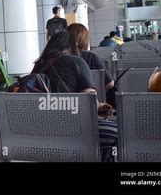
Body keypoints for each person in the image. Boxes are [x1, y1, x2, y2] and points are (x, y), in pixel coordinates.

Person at [33, 31, 117, 162]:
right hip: (71, 132)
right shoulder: (77, 61)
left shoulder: (38, 67)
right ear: (73, 46)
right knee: (117, 135)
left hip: (39, 135)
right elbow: (88, 103)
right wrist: (99, 105)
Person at [67, 23, 114, 90]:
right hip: (92, 98)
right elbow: (110, 83)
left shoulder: (60, 58)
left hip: (66, 99)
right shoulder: (91, 58)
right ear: (85, 40)